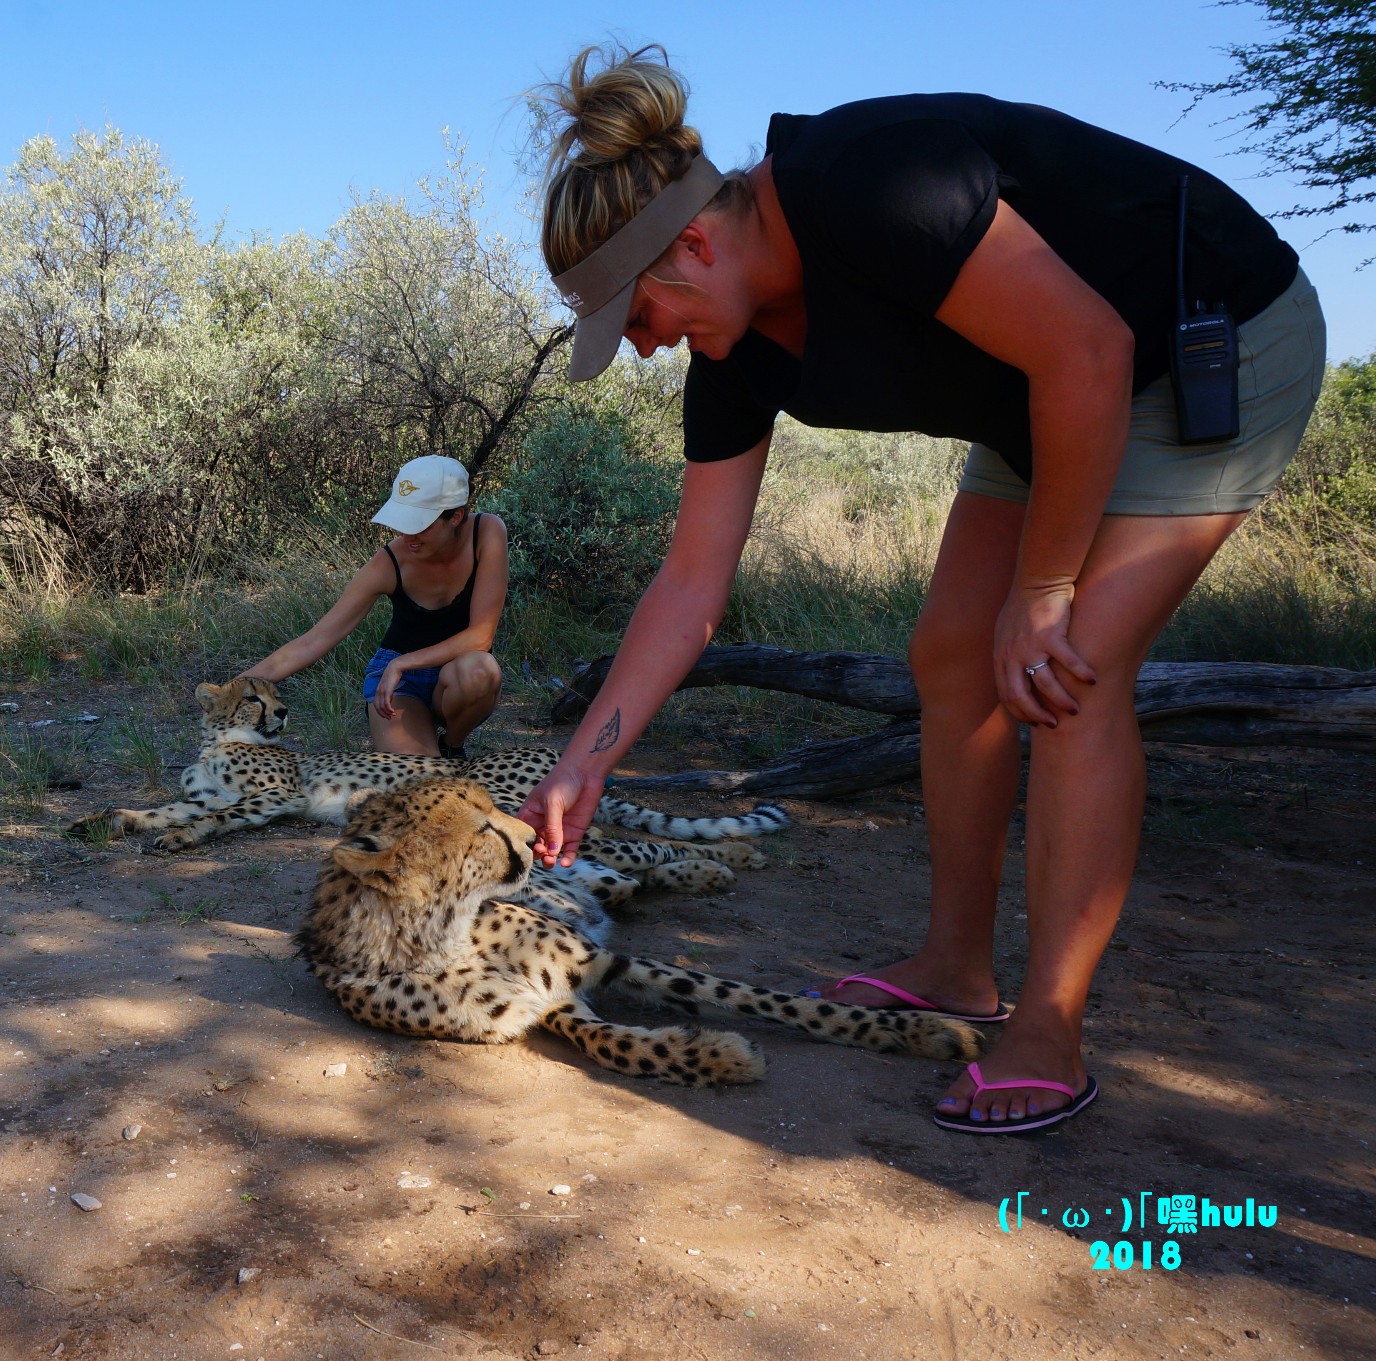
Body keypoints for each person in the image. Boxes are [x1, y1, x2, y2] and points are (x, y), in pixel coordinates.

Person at [516, 47, 1324, 1134]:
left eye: (639, 320)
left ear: (694, 244)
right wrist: (584, 763)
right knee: (951, 651)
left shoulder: (869, 180)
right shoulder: (737, 354)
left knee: (1064, 667)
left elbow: (1086, 346)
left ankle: (1048, 1025)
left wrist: (1042, 589)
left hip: (1201, 337)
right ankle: (954, 965)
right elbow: (690, 581)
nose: (647, 351)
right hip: (1048, 394)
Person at [244, 455, 510, 757]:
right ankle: (419, 742)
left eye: (420, 525)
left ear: (456, 517)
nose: (408, 535)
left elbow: (481, 637)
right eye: (402, 523)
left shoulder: (487, 533)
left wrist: (403, 662)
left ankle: (452, 745)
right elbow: (313, 641)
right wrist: (233, 689)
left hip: (447, 675)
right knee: (420, 780)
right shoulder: (389, 563)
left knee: (481, 669)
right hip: (397, 685)